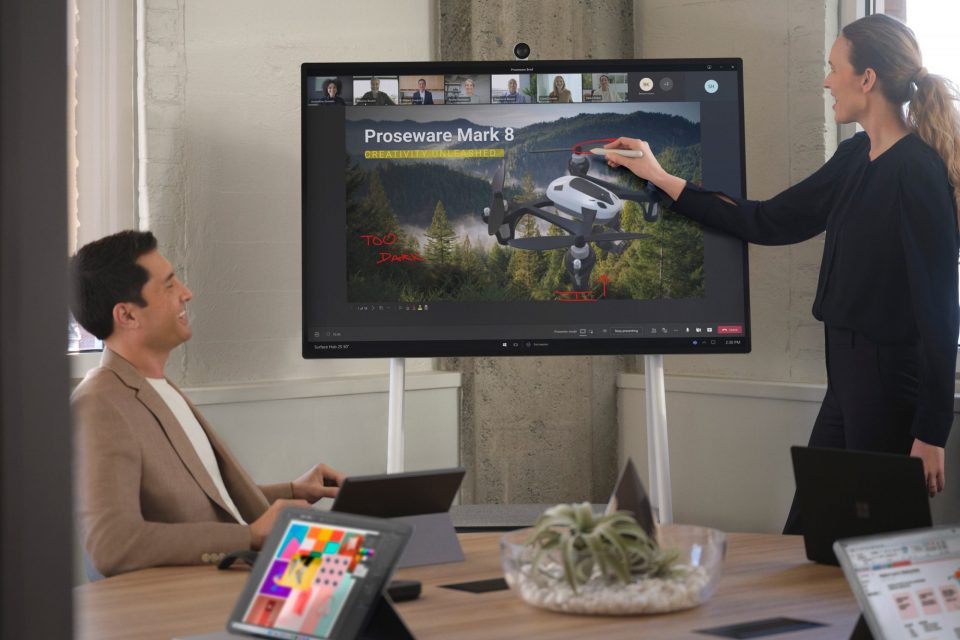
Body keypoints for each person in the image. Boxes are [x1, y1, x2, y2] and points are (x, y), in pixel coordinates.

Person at [604, 14, 960, 533]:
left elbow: (940, 311)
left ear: (867, 79)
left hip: (887, 382)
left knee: (875, 548)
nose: (825, 81)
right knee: (809, 536)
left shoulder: (917, 172)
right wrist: (659, 178)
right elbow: (767, 220)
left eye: (833, 68)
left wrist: (930, 432)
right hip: (846, 374)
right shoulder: (855, 156)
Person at [70, 231, 347, 576]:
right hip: (199, 598)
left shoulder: (155, 387)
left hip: (237, 577)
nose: (187, 293)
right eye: (169, 285)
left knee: (373, 571)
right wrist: (251, 535)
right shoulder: (99, 404)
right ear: (127, 316)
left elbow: (202, 503)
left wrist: (294, 491)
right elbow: (112, 544)